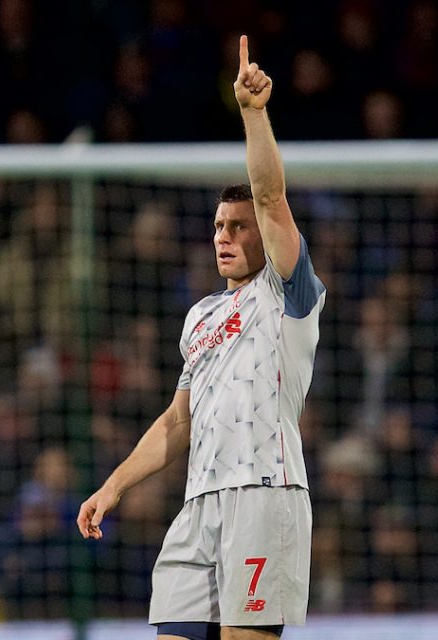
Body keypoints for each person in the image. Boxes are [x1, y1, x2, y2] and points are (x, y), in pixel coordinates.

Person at [77, 35, 326, 640]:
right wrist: (112, 487)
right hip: (198, 505)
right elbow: (175, 422)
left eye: (238, 227)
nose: (224, 236)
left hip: (263, 495)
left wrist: (253, 113)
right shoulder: (200, 317)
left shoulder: (288, 293)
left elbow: (269, 195)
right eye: (217, 226)